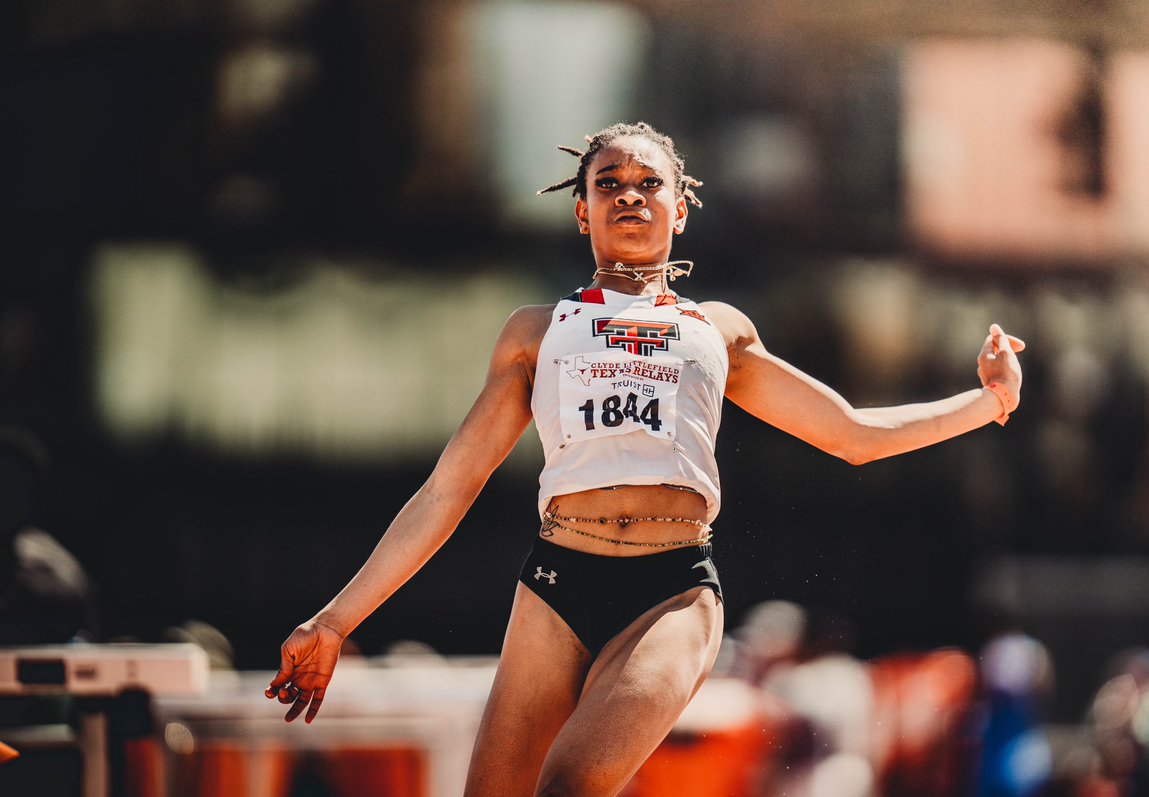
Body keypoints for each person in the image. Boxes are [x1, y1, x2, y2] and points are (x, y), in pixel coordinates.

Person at [266, 121, 1025, 796]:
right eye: (608, 184)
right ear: (581, 211)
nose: (629, 195)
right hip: (556, 584)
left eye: (648, 183)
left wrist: (989, 399)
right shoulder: (536, 333)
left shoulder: (718, 330)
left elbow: (853, 434)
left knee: (568, 787)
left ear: (680, 209)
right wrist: (334, 621)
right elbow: (448, 487)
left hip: (670, 592)